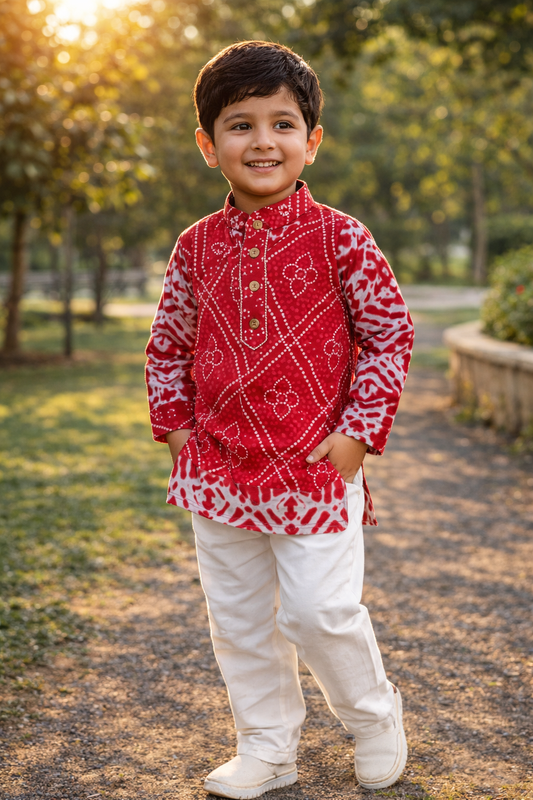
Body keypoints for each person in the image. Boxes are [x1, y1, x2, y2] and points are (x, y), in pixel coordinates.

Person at [145, 40, 414, 799]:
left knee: (319, 611)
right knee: (237, 620)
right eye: (239, 125)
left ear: (311, 140)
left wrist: (358, 433)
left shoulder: (341, 237)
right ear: (208, 145)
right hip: (219, 469)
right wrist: (176, 431)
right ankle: (266, 745)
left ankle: (371, 716)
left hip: (317, 467)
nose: (262, 141)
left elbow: (388, 333)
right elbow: (167, 343)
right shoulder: (194, 248)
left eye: (282, 123)